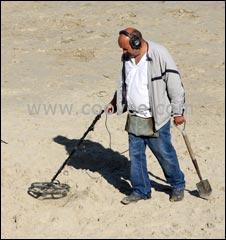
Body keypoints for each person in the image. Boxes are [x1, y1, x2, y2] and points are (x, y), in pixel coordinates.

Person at [105, 27, 186, 205]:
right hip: (135, 116)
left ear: (136, 42)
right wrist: (114, 103)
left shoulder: (159, 54)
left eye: (126, 48)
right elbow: (125, 84)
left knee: (164, 153)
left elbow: (174, 84)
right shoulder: (127, 58)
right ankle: (141, 190)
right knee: (136, 157)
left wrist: (178, 112)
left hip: (155, 117)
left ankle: (178, 185)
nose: (123, 52)